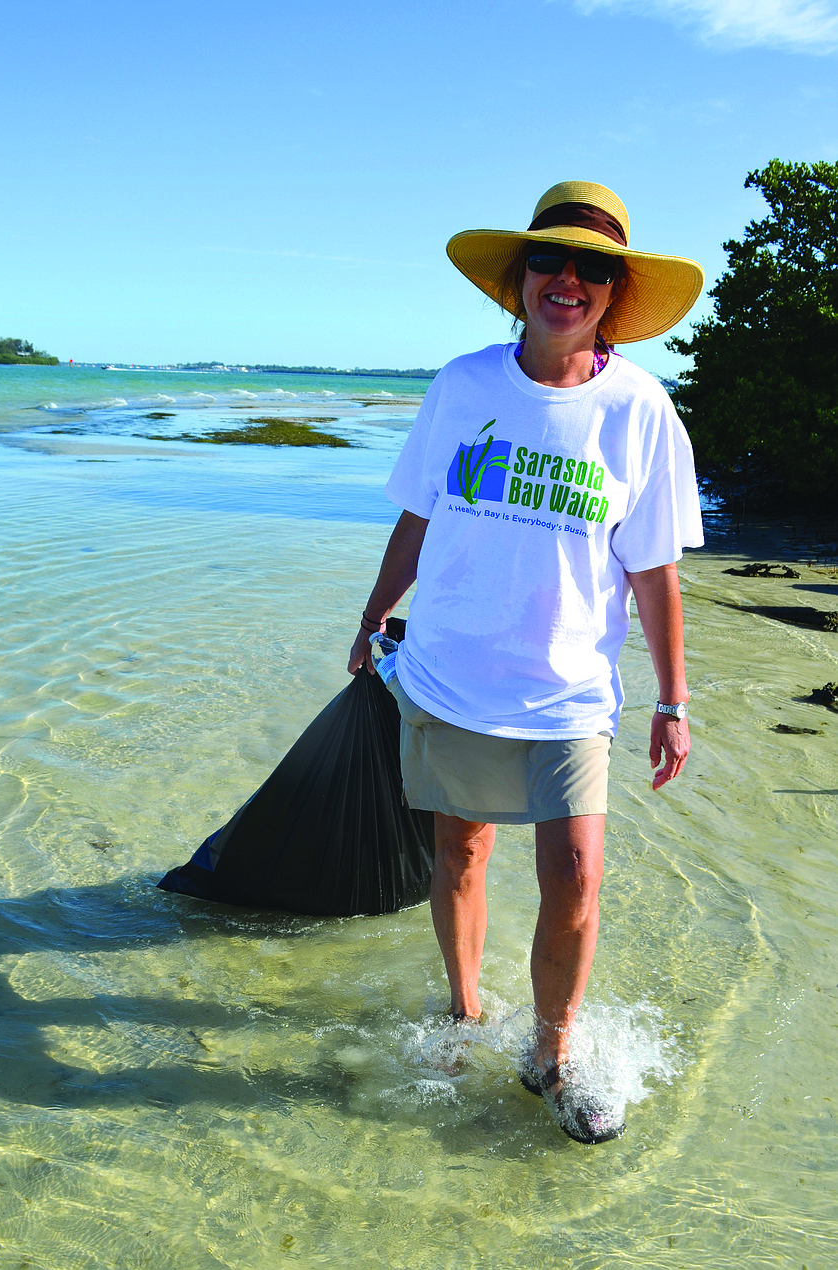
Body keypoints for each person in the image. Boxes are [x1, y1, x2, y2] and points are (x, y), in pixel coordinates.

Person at [348, 180, 704, 1144]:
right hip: (454, 673)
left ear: (612, 294)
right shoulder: (463, 385)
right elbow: (419, 514)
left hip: (573, 692)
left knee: (577, 875)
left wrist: (674, 700)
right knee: (461, 851)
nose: (569, 280)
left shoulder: (640, 409)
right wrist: (377, 611)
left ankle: (551, 1052)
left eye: (593, 268)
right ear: (520, 281)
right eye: (551, 260)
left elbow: (655, 569)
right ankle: (464, 1013)